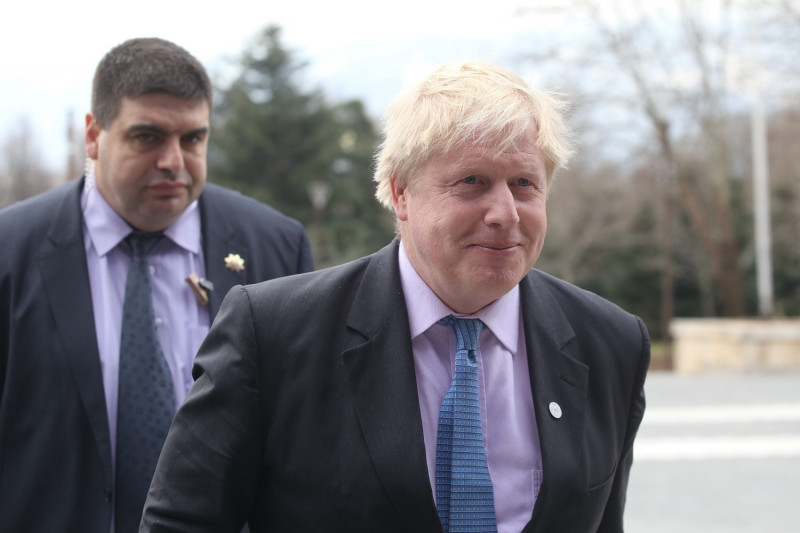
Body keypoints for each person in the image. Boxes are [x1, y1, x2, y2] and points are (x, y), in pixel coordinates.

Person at [141, 61, 650, 532]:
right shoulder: (273, 333)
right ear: (401, 192)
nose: (505, 213)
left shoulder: (611, 343)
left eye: (524, 184)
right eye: (472, 182)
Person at [0, 37, 313, 533]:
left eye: (193, 139)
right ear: (93, 136)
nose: (173, 161)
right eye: (147, 137)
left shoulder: (274, 247)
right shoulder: (11, 254)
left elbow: (302, 438)